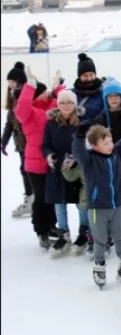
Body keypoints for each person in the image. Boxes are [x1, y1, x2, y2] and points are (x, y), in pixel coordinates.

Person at [71, 122, 121, 287]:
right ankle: (100, 265)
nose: (110, 145)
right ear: (95, 146)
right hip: (97, 208)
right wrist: (79, 135)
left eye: (110, 141)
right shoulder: (89, 161)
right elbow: (78, 151)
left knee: (120, 236)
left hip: (116, 205)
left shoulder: (116, 154)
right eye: (105, 143)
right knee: (100, 240)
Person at [16, 66, 60, 248]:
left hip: (51, 161)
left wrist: (58, 88)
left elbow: (64, 104)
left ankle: (53, 226)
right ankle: (41, 229)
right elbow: (21, 108)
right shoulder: (29, 113)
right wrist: (30, 86)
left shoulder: (51, 108)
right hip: (35, 164)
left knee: (52, 197)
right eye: (42, 93)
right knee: (41, 198)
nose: (45, 95)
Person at [42, 87, 86, 257]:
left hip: (77, 169)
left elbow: (88, 144)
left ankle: (83, 232)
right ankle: (63, 234)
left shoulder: (82, 123)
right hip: (57, 169)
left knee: (81, 201)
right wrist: (49, 155)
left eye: (69, 102)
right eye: (62, 102)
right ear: (57, 105)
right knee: (59, 202)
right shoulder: (50, 124)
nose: (66, 105)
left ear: (75, 105)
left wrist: (77, 157)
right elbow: (45, 144)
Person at [3, 62, 32, 218]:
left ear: (20, 82)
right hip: (20, 142)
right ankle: (30, 198)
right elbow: (10, 122)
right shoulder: (14, 97)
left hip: (29, 141)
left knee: (29, 169)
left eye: (12, 82)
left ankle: (33, 199)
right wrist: (4, 141)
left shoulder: (26, 97)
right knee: (24, 169)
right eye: (9, 82)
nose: (9, 85)